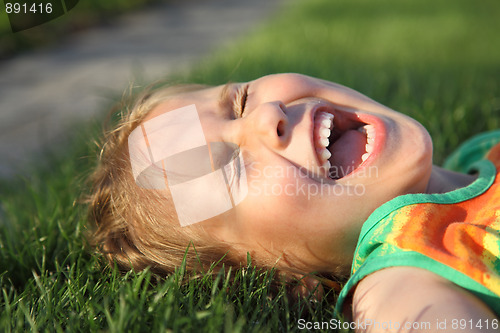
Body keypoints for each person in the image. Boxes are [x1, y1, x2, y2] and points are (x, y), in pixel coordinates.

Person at [87, 73, 500, 332]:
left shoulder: (479, 155)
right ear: (292, 280)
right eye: (233, 169)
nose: (265, 118)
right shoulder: (404, 272)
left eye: (241, 100)